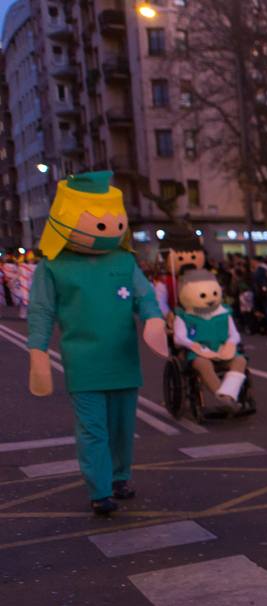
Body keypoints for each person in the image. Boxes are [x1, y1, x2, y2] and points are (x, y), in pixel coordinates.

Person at [24, 171, 169, 516]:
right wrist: (37, 351)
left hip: (123, 360)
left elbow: (145, 296)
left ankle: (120, 476)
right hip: (83, 362)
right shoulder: (54, 266)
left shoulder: (123, 260)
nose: (111, 227)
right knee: (93, 429)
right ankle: (100, 490)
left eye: (115, 221)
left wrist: (152, 319)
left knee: (123, 426)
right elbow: (41, 311)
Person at [173, 268, 249, 410]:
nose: (210, 299)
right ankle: (224, 397)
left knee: (240, 360)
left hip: (222, 349)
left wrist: (230, 343)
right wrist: (193, 345)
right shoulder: (183, 316)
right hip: (199, 352)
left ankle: (228, 393)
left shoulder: (224, 313)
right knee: (203, 364)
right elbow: (179, 338)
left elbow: (234, 334)